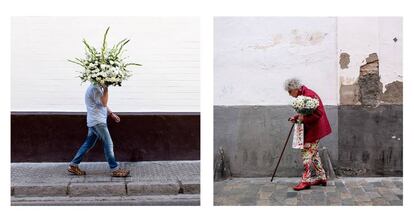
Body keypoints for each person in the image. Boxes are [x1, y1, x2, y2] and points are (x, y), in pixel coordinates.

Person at [68, 84, 130, 177]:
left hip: (94, 120)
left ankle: (73, 165)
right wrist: (106, 88)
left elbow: (101, 103)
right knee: (108, 144)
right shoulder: (95, 89)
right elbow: (104, 102)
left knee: (88, 144)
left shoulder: (95, 87)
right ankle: (115, 169)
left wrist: (111, 113)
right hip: (98, 122)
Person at [284, 78, 332, 191]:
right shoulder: (303, 95)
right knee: (314, 154)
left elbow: (319, 113)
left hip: (314, 130)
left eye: (290, 91)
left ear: (295, 88)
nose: (290, 95)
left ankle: (306, 181)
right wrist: (296, 118)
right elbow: (305, 113)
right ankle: (322, 177)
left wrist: (303, 118)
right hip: (312, 129)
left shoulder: (309, 94)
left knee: (306, 153)